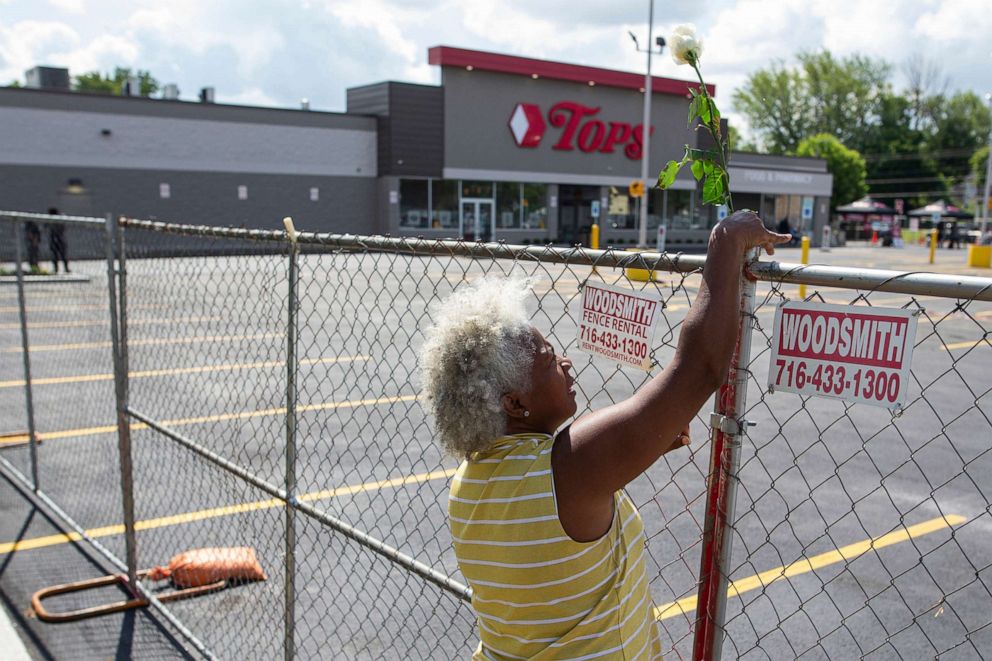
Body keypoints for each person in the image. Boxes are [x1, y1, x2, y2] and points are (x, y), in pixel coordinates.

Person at [421, 211, 790, 660]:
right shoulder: (569, 470)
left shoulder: (471, 479)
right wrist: (725, 242)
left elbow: (554, 537)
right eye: (549, 357)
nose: (566, 364)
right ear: (514, 404)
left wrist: (627, 449)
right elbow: (700, 369)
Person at [47, 208, 70, 273]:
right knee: (54, 255)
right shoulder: (50, 220)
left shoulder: (60, 218)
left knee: (63, 255)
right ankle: (56, 269)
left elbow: (63, 225)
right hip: (53, 239)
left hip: (60, 238)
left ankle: (66, 268)